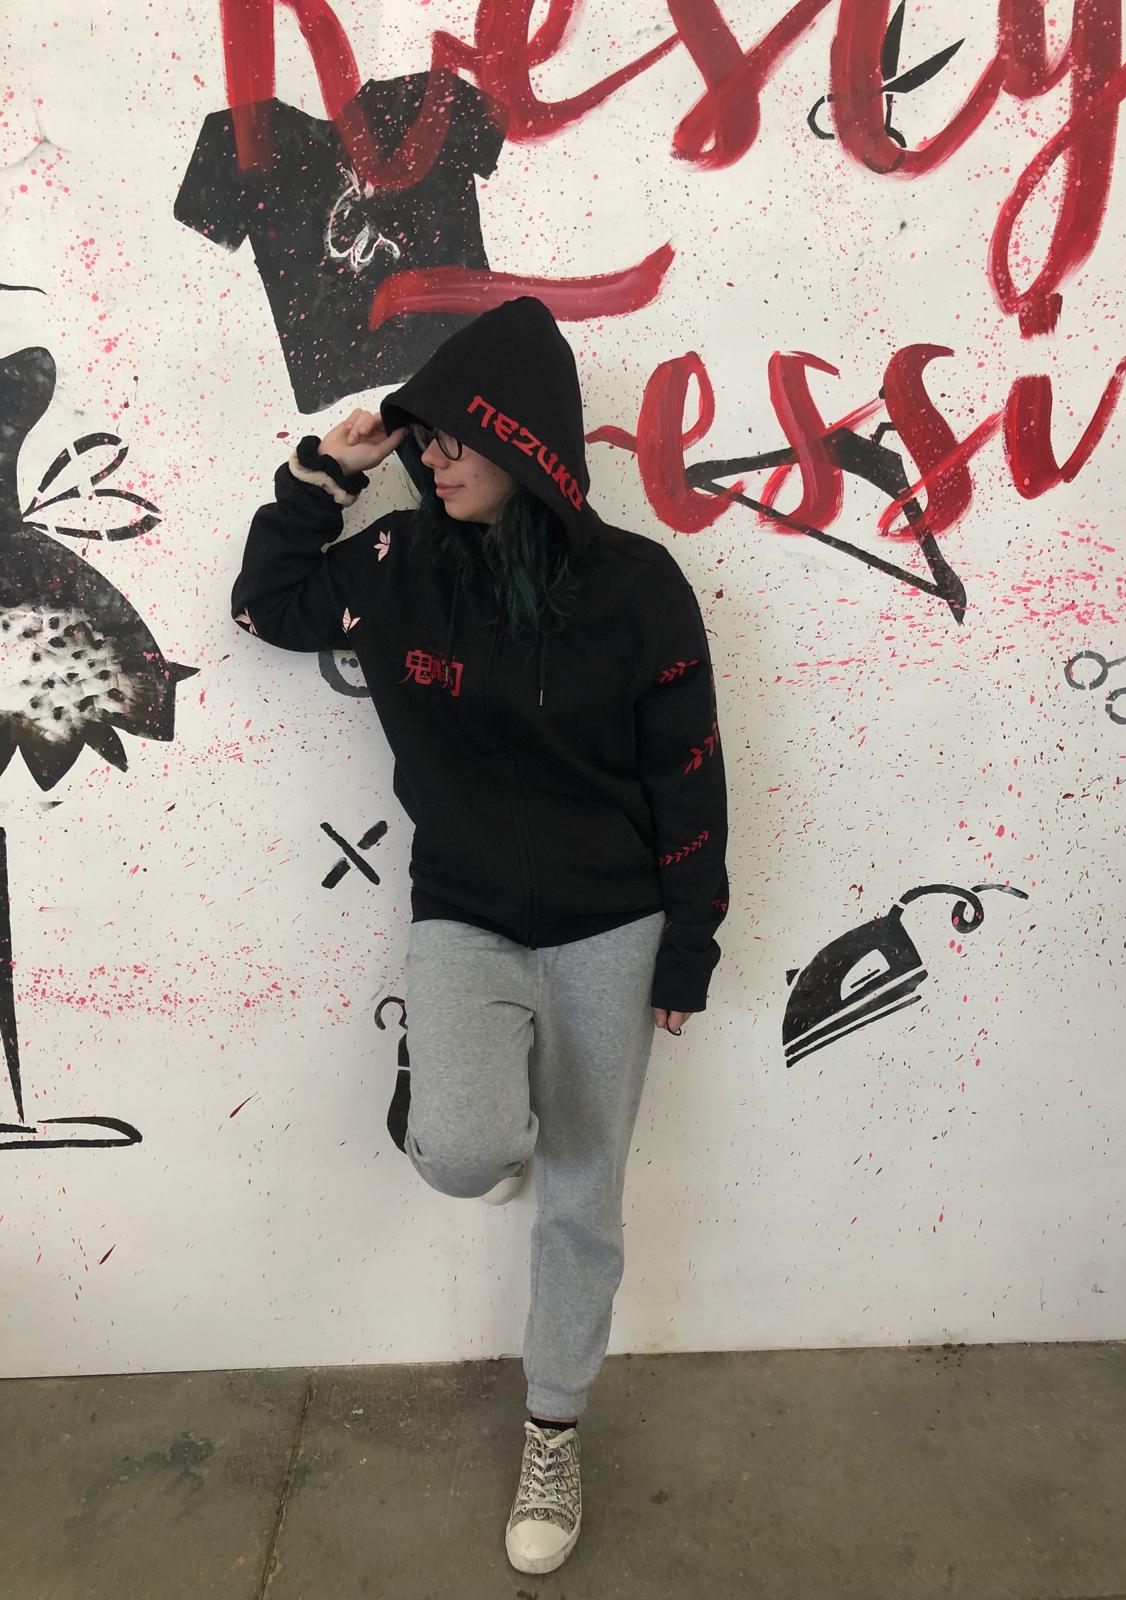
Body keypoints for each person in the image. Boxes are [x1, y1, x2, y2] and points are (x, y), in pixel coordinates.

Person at [231, 295, 729, 1575]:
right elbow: (265, 604)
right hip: (465, 911)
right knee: (467, 1150)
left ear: (524, 440)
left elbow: (687, 775)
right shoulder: (400, 563)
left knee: (584, 1193)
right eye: (423, 440)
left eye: (454, 437)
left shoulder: (636, 588)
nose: (433, 458)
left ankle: (553, 1428)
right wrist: (324, 471)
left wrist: (689, 941)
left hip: (613, 923)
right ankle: (472, 1102)